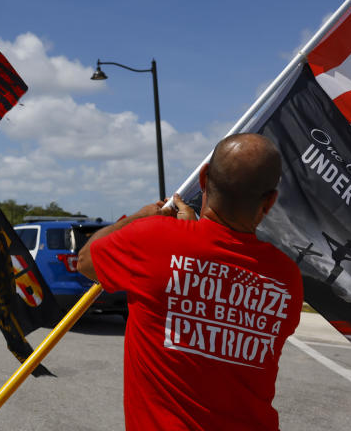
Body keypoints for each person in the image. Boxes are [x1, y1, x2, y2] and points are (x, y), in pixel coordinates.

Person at [78, 133, 304, 431]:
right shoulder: (287, 277)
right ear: (269, 201)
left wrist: (140, 218)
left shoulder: (153, 238)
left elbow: (85, 261)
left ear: (203, 178)